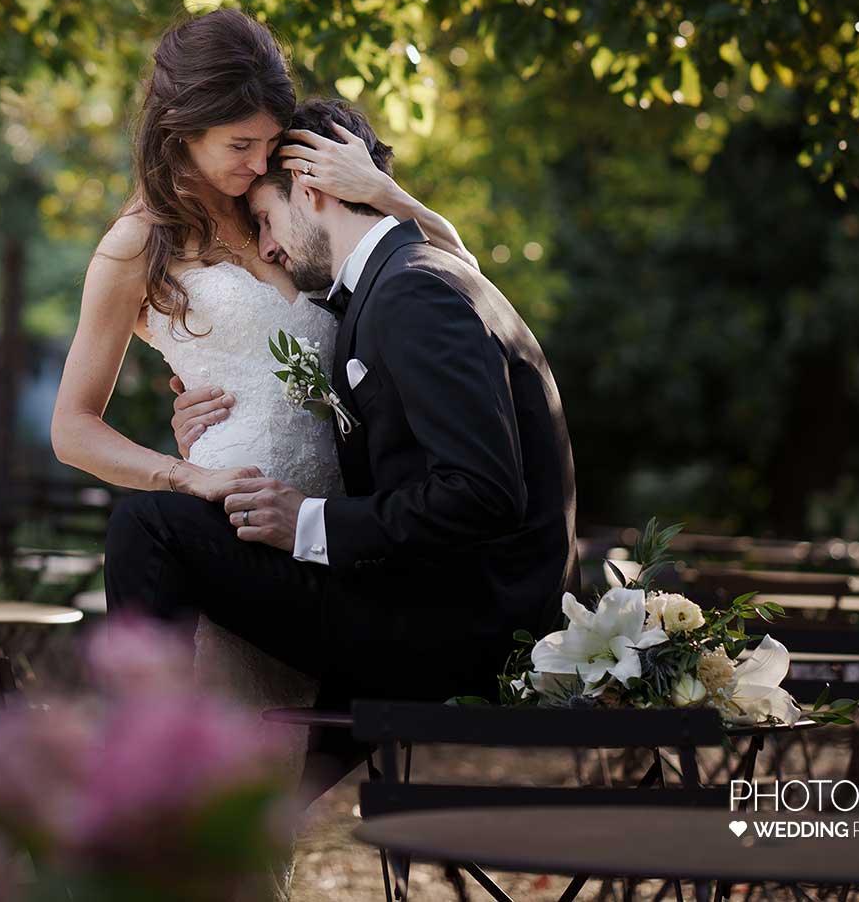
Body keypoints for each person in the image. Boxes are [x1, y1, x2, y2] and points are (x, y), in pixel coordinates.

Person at [114, 93, 580, 804]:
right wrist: (212, 426)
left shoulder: (412, 294)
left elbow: (482, 493)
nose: (266, 247)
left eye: (266, 219)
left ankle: (141, 786)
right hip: (438, 609)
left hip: (458, 633)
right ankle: (218, 815)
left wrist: (307, 521)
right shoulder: (409, 278)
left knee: (148, 523)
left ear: (312, 186)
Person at [49, 8, 473, 716]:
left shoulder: (286, 204)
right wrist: (188, 475)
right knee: (228, 771)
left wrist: (382, 190)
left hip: (340, 534)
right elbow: (72, 428)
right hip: (233, 524)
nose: (257, 163)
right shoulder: (136, 245)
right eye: (240, 144)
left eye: (270, 143)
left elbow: (451, 273)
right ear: (180, 128)